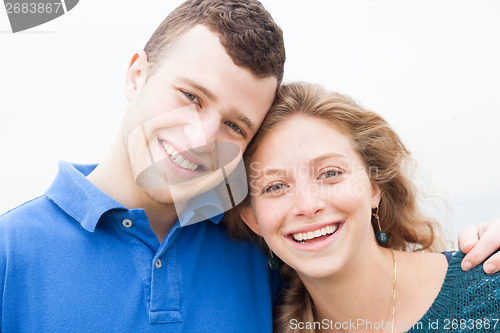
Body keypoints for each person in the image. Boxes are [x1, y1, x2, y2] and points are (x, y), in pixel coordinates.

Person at [0, 0, 499, 332]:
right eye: (190, 96)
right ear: (137, 75)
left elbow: (355, 256)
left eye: (236, 126)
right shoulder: (11, 253)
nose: (200, 139)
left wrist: (480, 257)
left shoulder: (252, 250)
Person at [229, 82, 500, 333]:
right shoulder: (262, 323)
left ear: (373, 187)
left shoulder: (489, 289)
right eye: (275, 186)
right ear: (252, 218)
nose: (308, 205)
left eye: (330, 173)